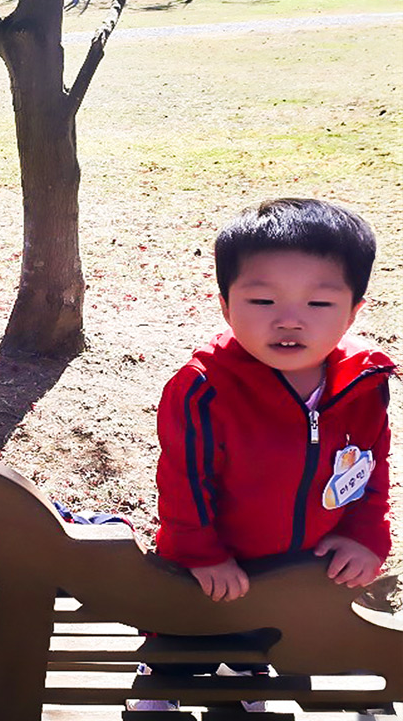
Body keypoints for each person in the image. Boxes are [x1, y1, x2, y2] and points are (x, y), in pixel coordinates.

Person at [129, 198, 393, 712]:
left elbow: (370, 467)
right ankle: (160, 680)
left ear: (353, 312)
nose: (289, 321)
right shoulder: (204, 388)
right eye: (263, 301)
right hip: (211, 556)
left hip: (302, 560)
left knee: (266, 632)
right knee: (189, 629)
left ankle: (248, 671)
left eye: (319, 305)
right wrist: (201, 553)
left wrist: (365, 535)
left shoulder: (363, 386)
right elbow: (184, 481)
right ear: (226, 306)